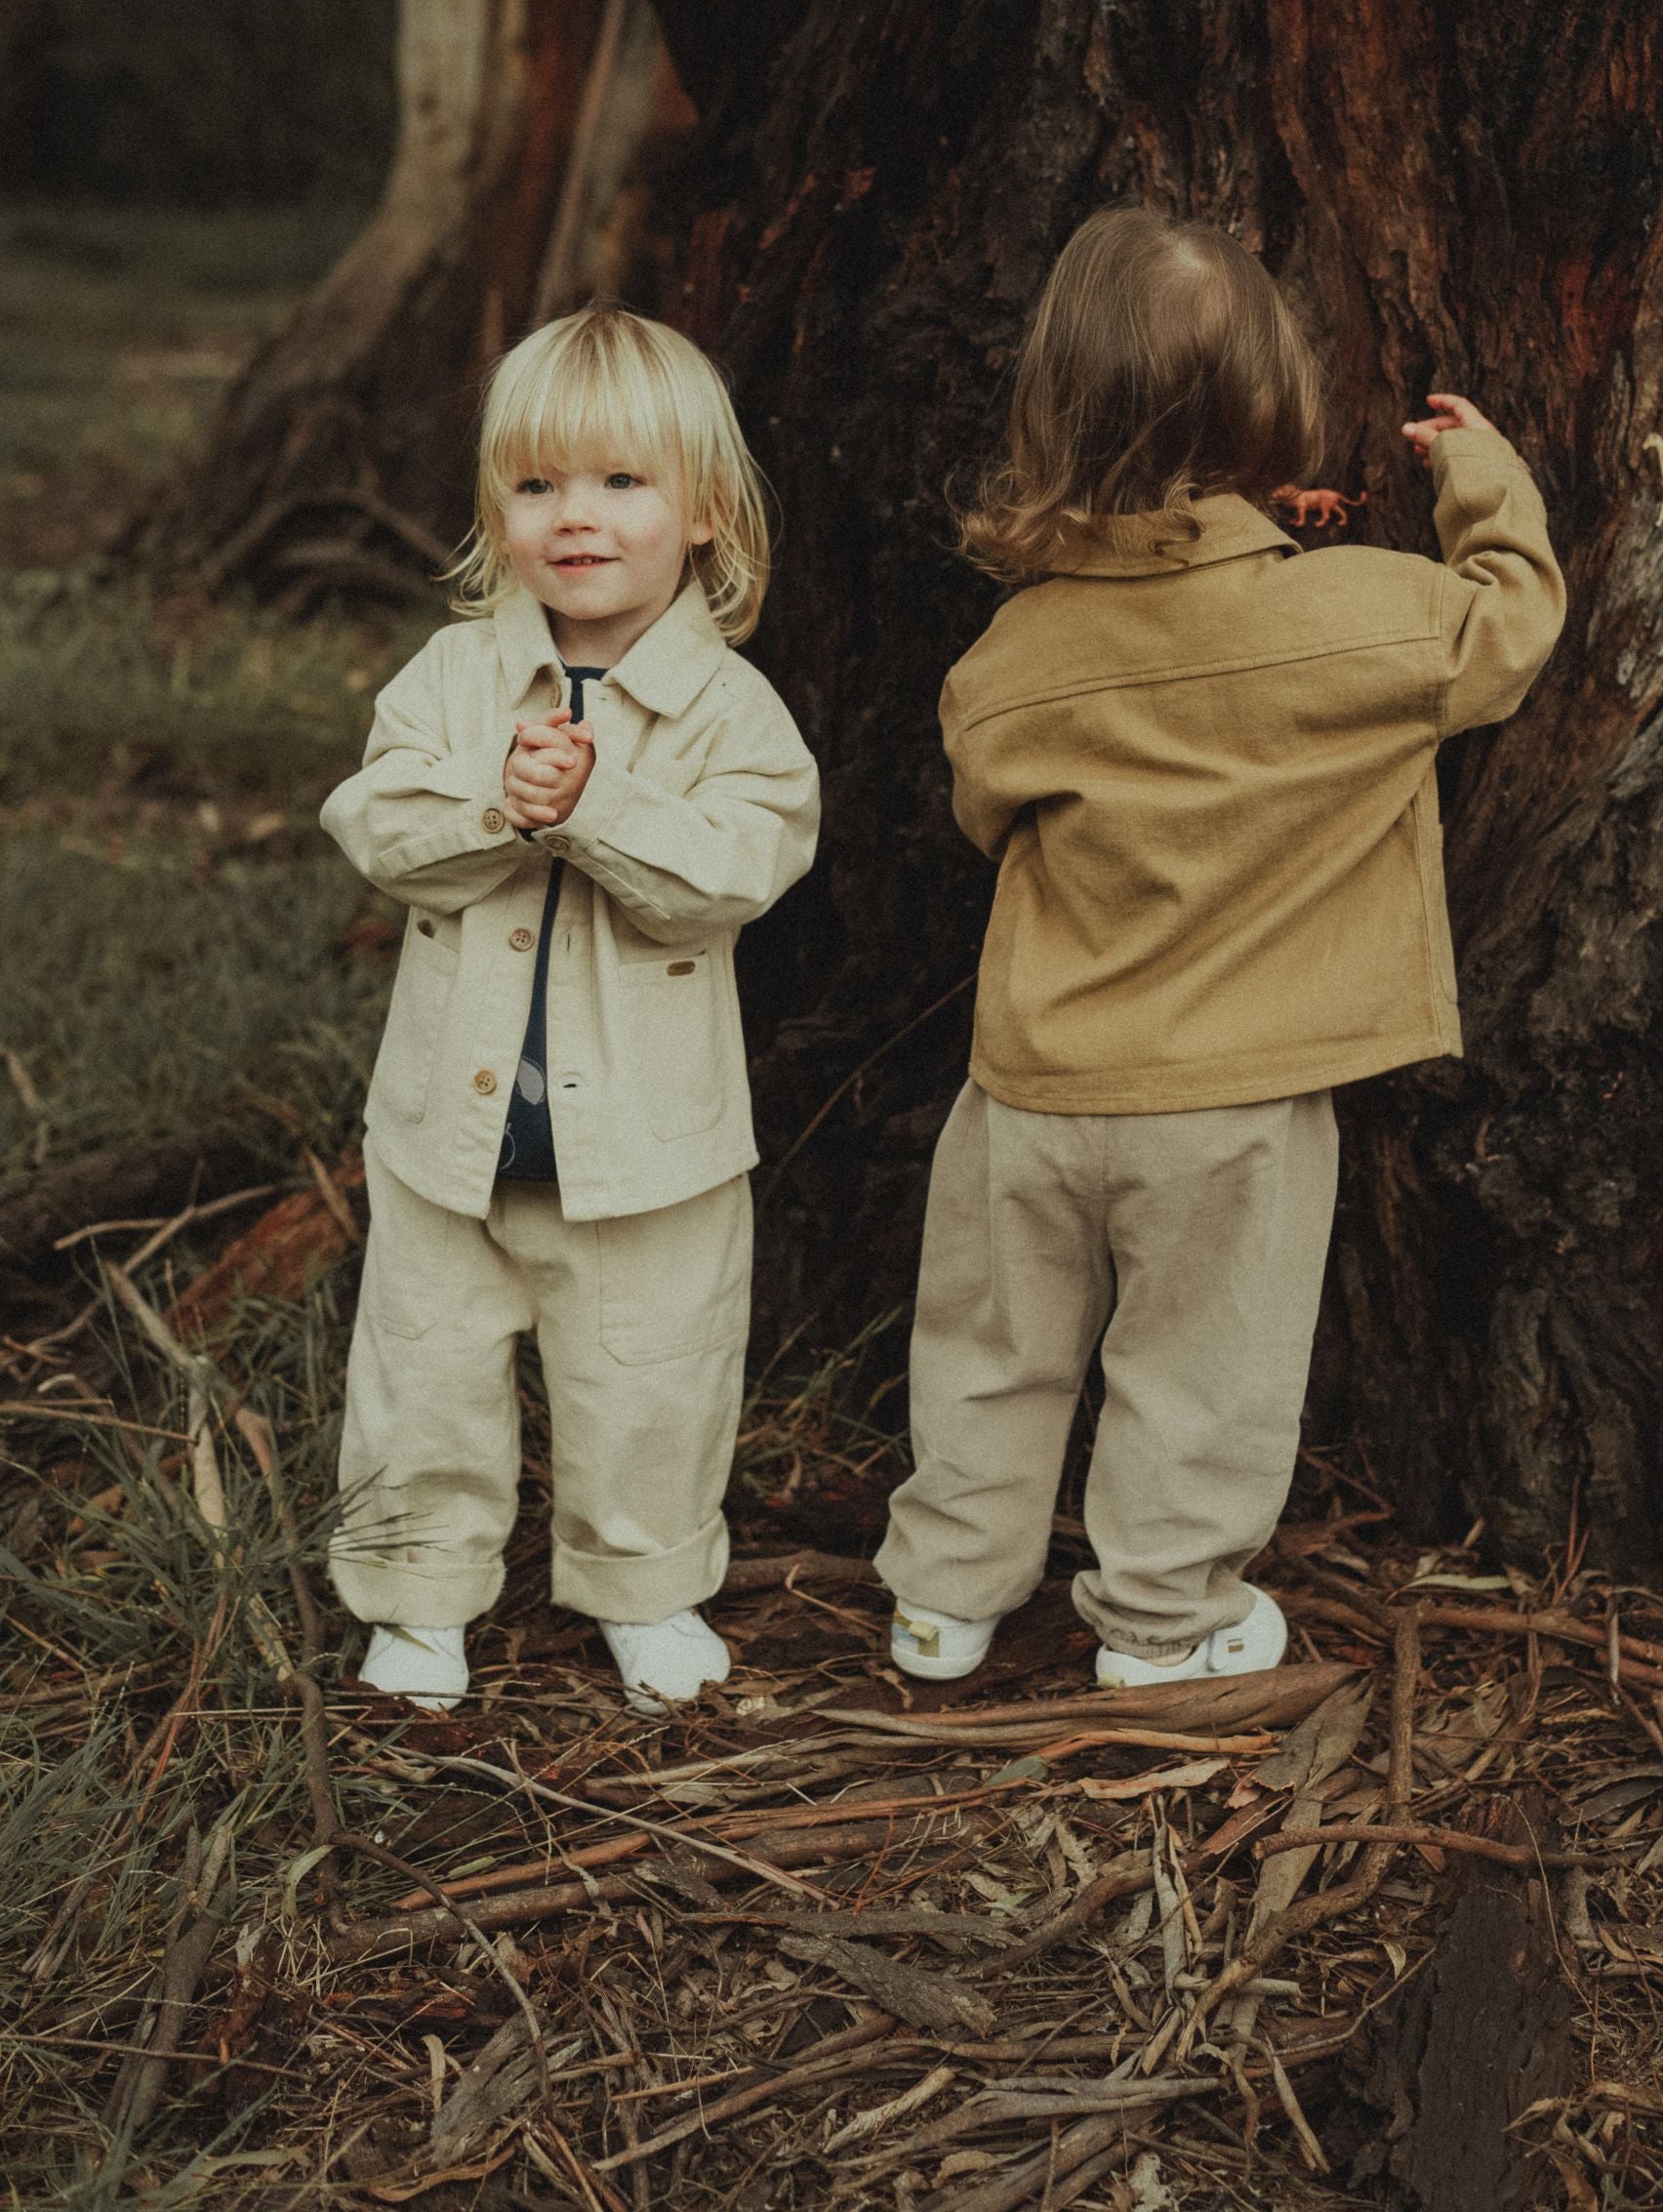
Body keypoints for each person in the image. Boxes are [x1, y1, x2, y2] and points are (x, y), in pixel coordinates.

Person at [875, 207, 1564, 1687]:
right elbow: (1505, 627)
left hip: (1030, 1093)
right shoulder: (1363, 617)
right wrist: (1485, 482)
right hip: (1231, 1112)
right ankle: (1162, 1624)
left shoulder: (1009, 658)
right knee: (1201, 1375)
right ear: (1273, 414)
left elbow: (985, 811)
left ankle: (941, 1598)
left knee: (987, 1354)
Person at [321, 304, 819, 1713]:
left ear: (705, 512)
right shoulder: (452, 678)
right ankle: (419, 1593)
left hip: (651, 1149)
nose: (576, 517)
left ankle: (645, 1587)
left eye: (620, 481)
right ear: (498, 512)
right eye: (537, 484)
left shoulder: (730, 709)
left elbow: (736, 873)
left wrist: (598, 805)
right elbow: (378, 823)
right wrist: (499, 802)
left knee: (652, 1378)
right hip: (449, 1134)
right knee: (423, 1370)